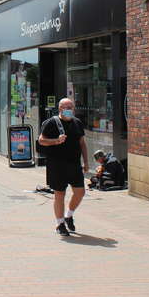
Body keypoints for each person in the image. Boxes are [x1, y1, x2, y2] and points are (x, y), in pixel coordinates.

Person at [38, 97, 89, 237]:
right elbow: (41, 140)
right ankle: (60, 223)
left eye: (71, 107)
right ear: (60, 109)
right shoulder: (52, 123)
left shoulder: (77, 123)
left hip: (74, 164)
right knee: (60, 194)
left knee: (80, 192)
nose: (69, 110)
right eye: (66, 107)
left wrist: (86, 161)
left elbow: (82, 143)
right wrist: (56, 141)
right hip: (57, 164)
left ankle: (69, 215)